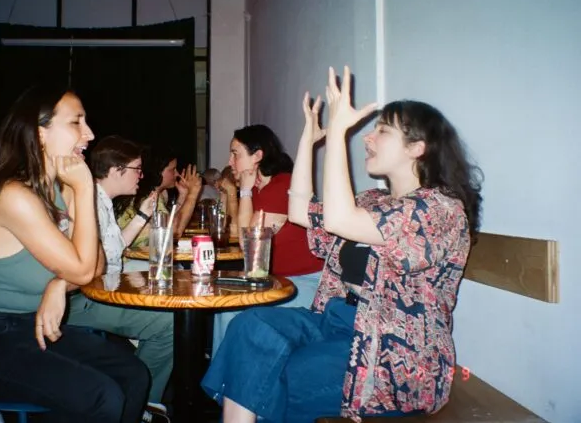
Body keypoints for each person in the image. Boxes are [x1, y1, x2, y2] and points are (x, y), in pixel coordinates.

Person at [202, 66, 483, 423]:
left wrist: (337, 134)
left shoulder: (439, 210)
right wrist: (311, 138)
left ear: (418, 148)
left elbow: (338, 219)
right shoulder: (373, 201)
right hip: (336, 319)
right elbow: (300, 210)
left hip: (394, 350)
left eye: (382, 131)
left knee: (277, 372)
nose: (367, 139)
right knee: (250, 326)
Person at [0, 85, 149, 423]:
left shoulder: (56, 188)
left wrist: (58, 284)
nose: (90, 133)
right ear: (40, 134)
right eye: (76, 122)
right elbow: (83, 272)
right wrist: (84, 188)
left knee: (133, 373)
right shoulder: (14, 196)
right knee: (102, 396)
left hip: (31, 330)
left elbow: (94, 267)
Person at [65, 135, 173, 420]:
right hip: (80, 297)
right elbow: (97, 264)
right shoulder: (87, 201)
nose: (142, 175)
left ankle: (140, 395)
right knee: (168, 323)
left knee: (164, 300)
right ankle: (145, 404)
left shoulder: (101, 200)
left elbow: (113, 248)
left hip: (95, 287)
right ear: (116, 171)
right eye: (137, 169)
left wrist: (141, 215)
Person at [212, 124, 324, 356]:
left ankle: (224, 383)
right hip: (278, 280)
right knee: (222, 302)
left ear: (258, 156)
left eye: (235, 153)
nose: (230, 161)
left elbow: (248, 246)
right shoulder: (262, 189)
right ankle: (223, 381)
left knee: (228, 309)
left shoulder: (282, 185)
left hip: (307, 284)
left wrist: (243, 192)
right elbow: (236, 231)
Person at [116, 146, 202, 248]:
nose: (177, 174)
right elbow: (174, 232)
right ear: (158, 171)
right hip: (133, 261)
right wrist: (193, 194)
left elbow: (170, 222)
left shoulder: (147, 193)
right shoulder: (146, 198)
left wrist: (183, 195)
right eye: (173, 169)